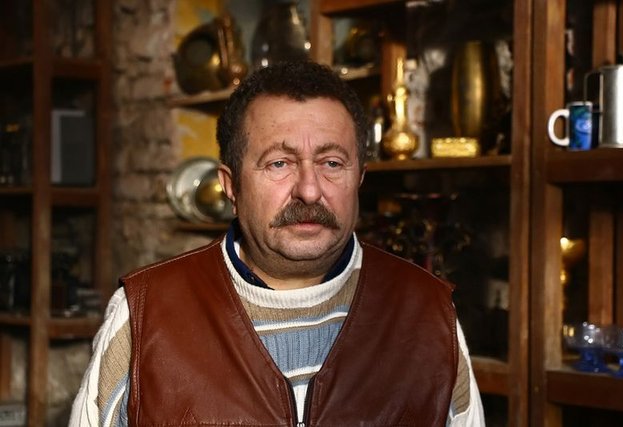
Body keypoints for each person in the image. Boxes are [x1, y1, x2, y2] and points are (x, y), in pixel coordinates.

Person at [70, 60, 484, 426]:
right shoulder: (146, 315)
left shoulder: (428, 314)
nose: (309, 190)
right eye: (279, 163)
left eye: (332, 163)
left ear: (359, 177)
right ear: (230, 185)